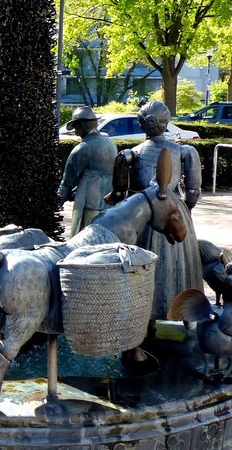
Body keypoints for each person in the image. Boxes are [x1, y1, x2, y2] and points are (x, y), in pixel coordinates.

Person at [109, 101, 202, 320]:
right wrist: (186, 209)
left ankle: (142, 315)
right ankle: (184, 313)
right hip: (172, 209)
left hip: (142, 210)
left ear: (141, 124)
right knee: (181, 264)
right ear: (166, 123)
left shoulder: (130, 153)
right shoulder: (183, 151)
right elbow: (193, 189)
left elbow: (119, 193)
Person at [57, 107, 118, 237]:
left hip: (89, 203)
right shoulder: (110, 143)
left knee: (84, 239)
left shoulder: (83, 148)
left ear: (82, 126)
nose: (76, 132)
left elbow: (67, 181)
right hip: (109, 201)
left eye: (76, 127)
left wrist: (58, 201)